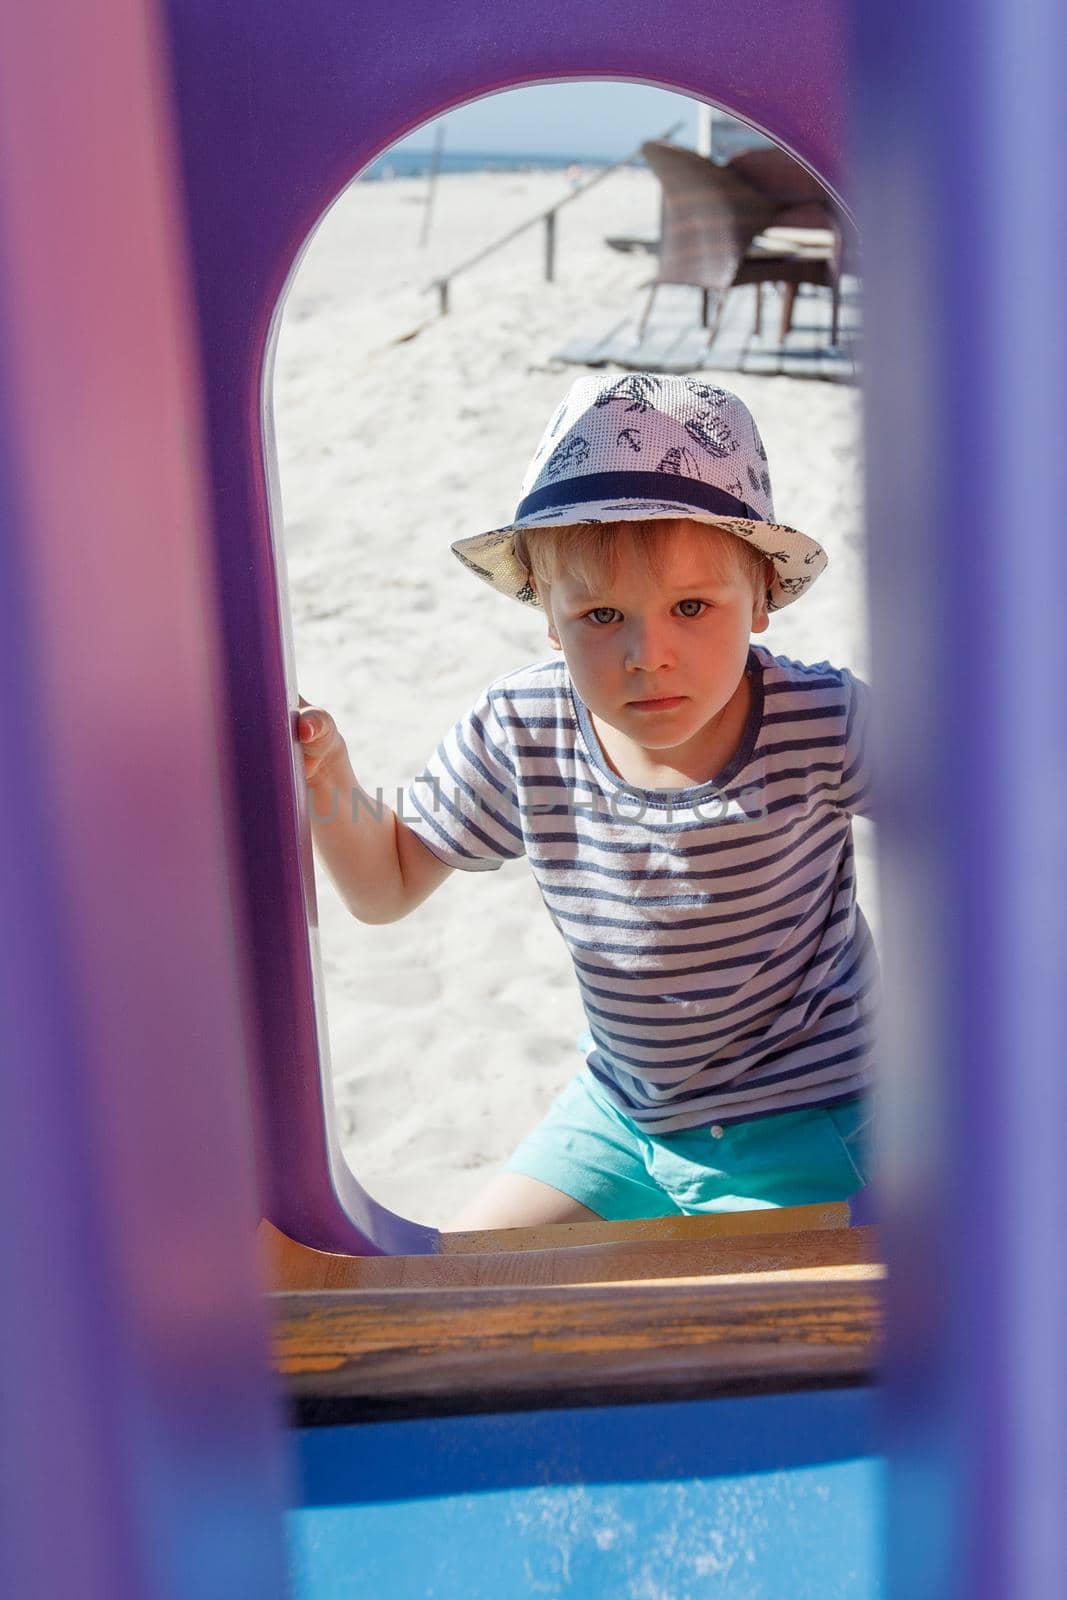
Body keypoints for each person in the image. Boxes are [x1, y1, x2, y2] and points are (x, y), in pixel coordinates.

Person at [298, 372, 877, 1231]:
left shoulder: (822, 719)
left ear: (760, 596)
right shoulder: (523, 726)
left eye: (690, 606)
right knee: (462, 1290)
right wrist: (327, 781)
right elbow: (385, 888)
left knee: (769, 1346)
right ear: (548, 616)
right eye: (601, 616)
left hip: (804, 1122)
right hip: (618, 1114)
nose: (648, 653)